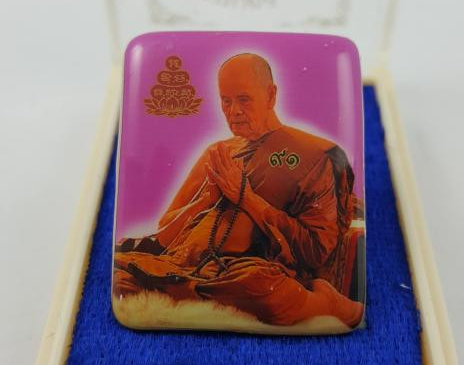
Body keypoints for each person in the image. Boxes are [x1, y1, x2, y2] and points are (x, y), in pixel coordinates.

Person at [114, 53, 363, 328]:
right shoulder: (218, 153)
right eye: (226, 101)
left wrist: (246, 198)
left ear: (270, 95)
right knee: (120, 274)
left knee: (262, 290)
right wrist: (205, 201)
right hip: (184, 267)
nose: (234, 111)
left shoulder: (316, 155)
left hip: (248, 275)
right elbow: (165, 232)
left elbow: (316, 251)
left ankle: (326, 302)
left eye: (244, 99)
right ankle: (189, 289)